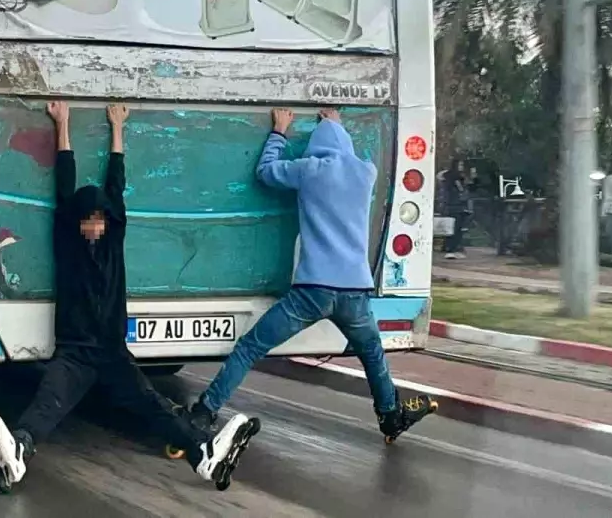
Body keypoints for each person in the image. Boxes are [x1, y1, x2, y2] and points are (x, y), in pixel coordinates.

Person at [0, 101, 261, 493]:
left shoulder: (114, 240)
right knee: (48, 404)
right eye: (87, 219)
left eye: (99, 219)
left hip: (111, 352)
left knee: (153, 405)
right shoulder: (67, 240)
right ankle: (18, 452)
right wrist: (63, 124)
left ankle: (204, 456)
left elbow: (116, 184)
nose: (94, 226)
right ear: (78, 220)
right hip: (75, 352)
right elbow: (64, 181)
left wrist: (118, 129)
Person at [186, 108, 436, 443]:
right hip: (355, 293)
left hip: (311, 291)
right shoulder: (366, 172)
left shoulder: (308, 170)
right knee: (372, 353)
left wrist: (279, 132)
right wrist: (336, 125)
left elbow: (265, 172)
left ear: (315, 145)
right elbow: (354, 149)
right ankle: (390, 416)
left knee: (251, 347)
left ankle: (204, 412)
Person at [442, 159, 471, 259]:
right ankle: (452, 248)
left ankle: (450, 247)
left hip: (453, 205)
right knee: (456, 228)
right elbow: (461, 190)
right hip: (456, 205)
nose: (462, 167)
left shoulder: (449, 177)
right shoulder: (456, 178)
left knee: (453, 228)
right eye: (460, 165)